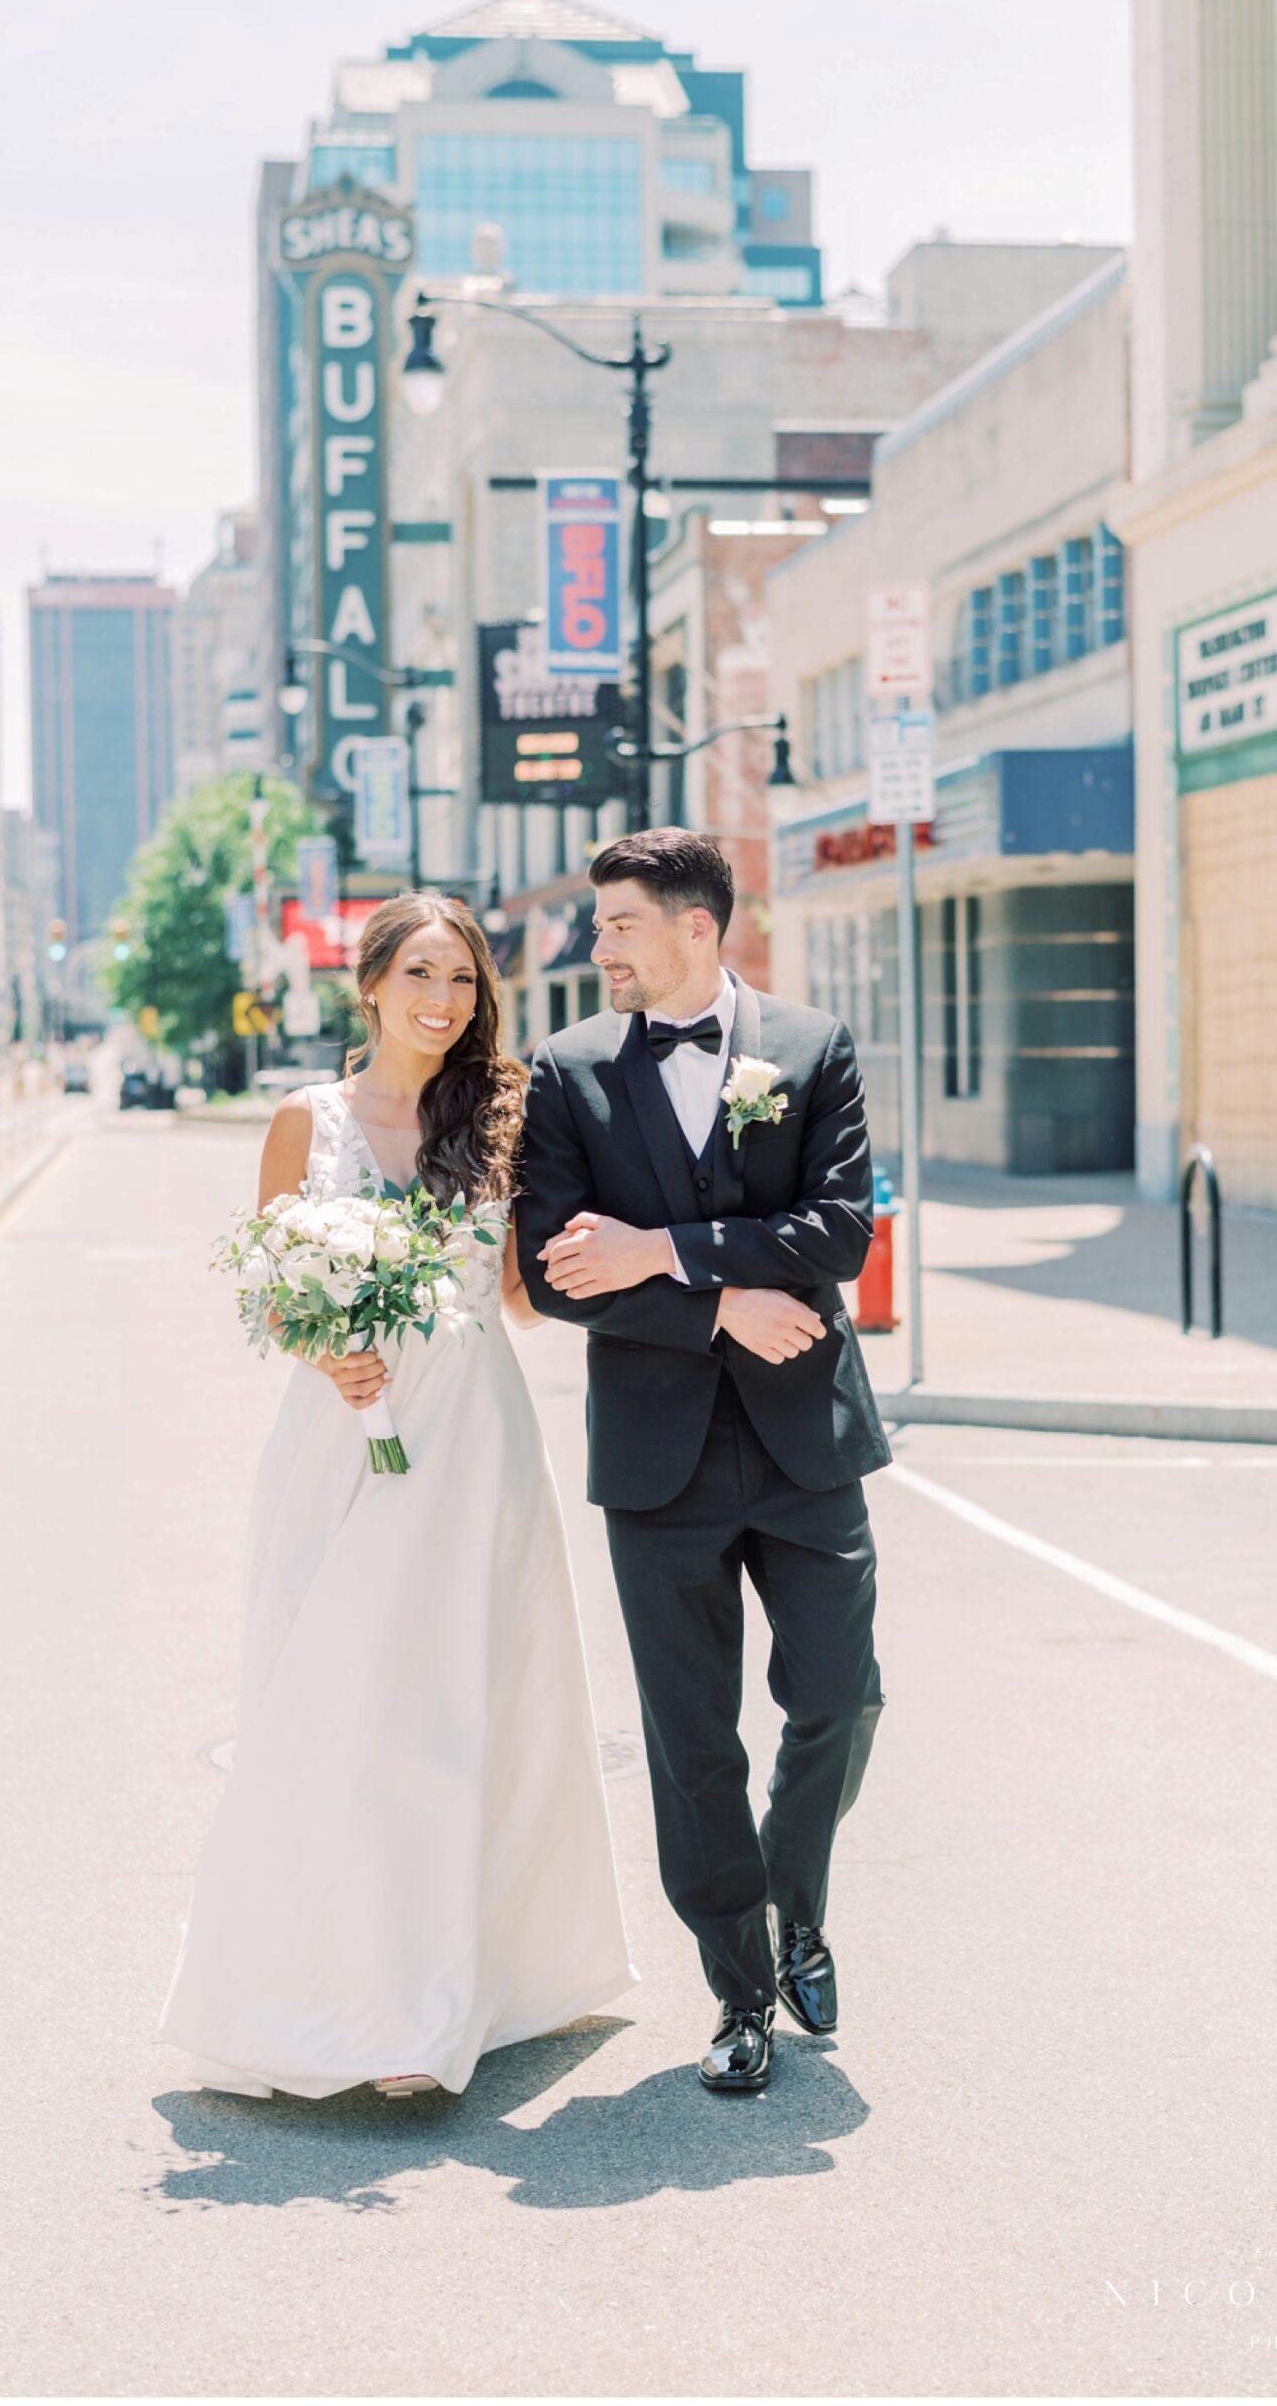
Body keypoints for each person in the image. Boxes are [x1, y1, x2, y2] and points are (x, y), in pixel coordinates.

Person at [158, 894, 636, 2100]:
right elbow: (270, 1290)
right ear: (367, 983)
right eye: (422, 973)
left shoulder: (506, 1117)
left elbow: (523, 1296)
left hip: (473, 1446)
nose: (444, 999)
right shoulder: (300, 1121)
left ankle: (432, 2010)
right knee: (336, 1710)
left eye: (465, 980)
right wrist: (325, 1347)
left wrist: (645, 1273)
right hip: (343, 1441)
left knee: (454, 1715)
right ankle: (332, 1994)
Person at [515, 829, 890, 2095]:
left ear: (694, 927)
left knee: (839, 1694)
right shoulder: (563, 1072)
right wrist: (719, 1298)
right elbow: (559, 1271)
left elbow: (839, 1232)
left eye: (617, 922)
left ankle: (796, 1909)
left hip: (805, 1438)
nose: (597, 944)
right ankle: (736, 1991)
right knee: (691, 1741)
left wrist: (669, 1252)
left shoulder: (811, 1044)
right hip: (655, 1457)